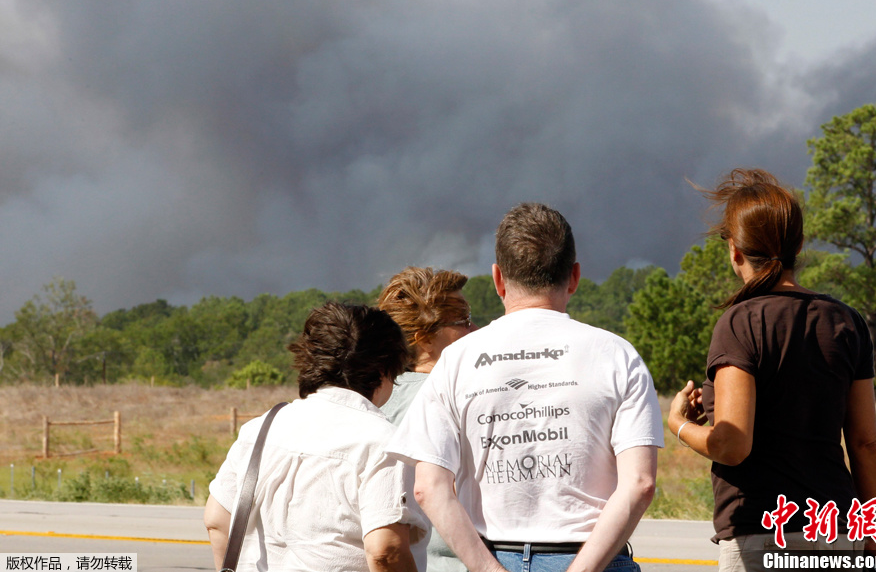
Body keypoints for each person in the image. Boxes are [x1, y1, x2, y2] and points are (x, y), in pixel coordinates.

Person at [387, 202, 664, 572]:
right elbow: (640, 483)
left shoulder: (456, 361)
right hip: (594, 559)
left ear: (498, 279)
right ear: (575, 276)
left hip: (494, 555)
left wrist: (487, 569)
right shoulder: (617, 354)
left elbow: (429, 488)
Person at [667, 169, 876, 572]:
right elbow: (865, 444)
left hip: (763, 536)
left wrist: (679, 423)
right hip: (838, 534)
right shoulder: (847, 322)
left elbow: (732, 446)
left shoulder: (740, 323)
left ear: (734, 251)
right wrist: (870, 534)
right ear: (799, 245)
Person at [204, 301, 429, 572]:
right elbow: (385, 550)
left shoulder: (261, 427)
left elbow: (217, 519)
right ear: (383, 370)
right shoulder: (383, 442)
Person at [377, 266, 477, 572]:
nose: (474, 329)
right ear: (423, 339)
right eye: (462, 321)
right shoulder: (456, 399)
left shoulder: (373, 399)